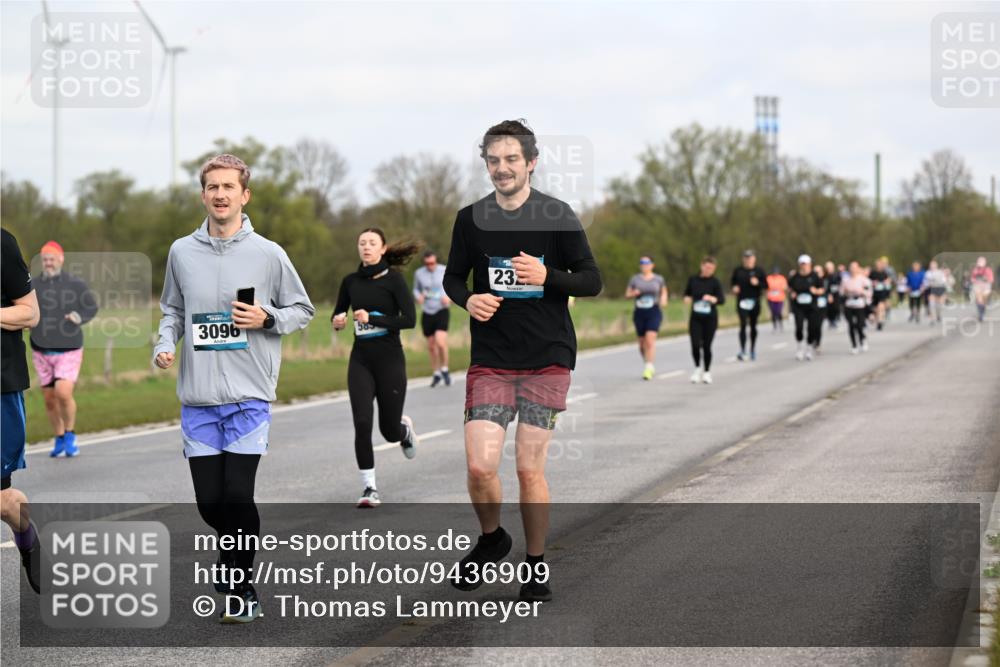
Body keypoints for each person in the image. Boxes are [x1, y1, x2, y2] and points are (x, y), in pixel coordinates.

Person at [443, 119, 602, 603]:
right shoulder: (470, 219)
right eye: (493, 160)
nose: (502, 168)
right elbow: (453, 278)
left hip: (546, 360)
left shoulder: (557, 215)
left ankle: (535, 565)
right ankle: (493, 539)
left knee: (529, 470)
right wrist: (468, 301)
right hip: (492, 359)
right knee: (479, 466)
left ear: (531, 162)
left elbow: (591, 280)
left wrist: (548, 274)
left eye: (512, 159)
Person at [153, 154, 315, 623]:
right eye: (212, 187)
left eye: (229, 187)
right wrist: (165, 344)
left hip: (249, 397)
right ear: (202, 194)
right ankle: (234, 553)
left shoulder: (268, 253)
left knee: (238, 497)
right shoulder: (182, 251)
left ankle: (242, 586)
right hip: (199, 399)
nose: (220, 194)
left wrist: (267, 318)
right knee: (211, 504)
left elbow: (301, 310)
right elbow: (171, 310)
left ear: (245, 195)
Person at [333, 229, 419, 508]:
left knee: (388, 431)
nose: (366, 247)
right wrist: (338, 321)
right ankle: (369, 487)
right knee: (361, 423)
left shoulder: (394, 281)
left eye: (372, 243)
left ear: (382, 249)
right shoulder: (350, 282)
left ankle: (403, 431)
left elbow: (409, 321)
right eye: (362, 243)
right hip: (361, 360)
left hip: (390, 359)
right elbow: (339, 313)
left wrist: (374, 319)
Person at [29, 240, 99, 457]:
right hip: (41, 349)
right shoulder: (33, 285)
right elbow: (24, 307)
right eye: (45, 259)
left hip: (69, 348)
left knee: (63, 392)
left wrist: (79, 317)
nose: (48, 263)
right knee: (49, 399)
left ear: (61, 259)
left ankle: (70, 434)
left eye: (52, 259)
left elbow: (91, 306)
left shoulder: (74, 283)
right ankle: (59, 438)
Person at [1, 229, 42, 595]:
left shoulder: (2, 243)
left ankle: (27, 539)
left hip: (0, 385)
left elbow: (30, 312)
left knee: (3, 501)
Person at [413, 250, 452, 387]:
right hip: (427, 311)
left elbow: (454, 286)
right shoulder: (419, 273)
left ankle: (445, 369)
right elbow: (416, 289)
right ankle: (436, 372)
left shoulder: (444, 270)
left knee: (440, 342)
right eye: (427, 263)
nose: (430, 266)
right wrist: (419, 296)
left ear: (436, 261)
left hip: (441, 309)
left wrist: (449, 297)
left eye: (432, 263)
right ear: (424, 263)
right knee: (431, 346)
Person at [625, 256, 667, 379]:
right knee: (642, 344)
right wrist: (633, 293)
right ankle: (647, 362)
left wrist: (664, 300)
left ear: (652, 265)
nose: (644, 265)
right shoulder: (635, 279)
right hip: (639, 312)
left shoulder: (658, 279)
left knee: (650, 340)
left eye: (647, 263)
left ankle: (649, 367)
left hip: (653, 311)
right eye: (642, 263)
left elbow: (664, 291)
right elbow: (627, 294)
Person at [684, 256, 725, 384]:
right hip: (696, 317)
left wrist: (713, 299)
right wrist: (687, 298)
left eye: (711, 269)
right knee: (695, 345)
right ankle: (697, 368)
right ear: (701, 266)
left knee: (707, 346)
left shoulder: (715, 282)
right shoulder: (693, 280)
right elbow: (687, 294)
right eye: (707, 267)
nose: (709, 270)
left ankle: (707, 372)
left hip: (710, 318)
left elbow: (722, 300)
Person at [730, 249, 767, 361]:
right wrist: (734, 288)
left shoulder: (759, 271)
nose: (748, 260)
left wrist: (758, 283)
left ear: (754, 259)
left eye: (750, 258)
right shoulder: (738, 271)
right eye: (746, 258)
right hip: (742, 301)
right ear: (743, 259)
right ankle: (742, 349)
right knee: (742, 325)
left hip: (755, 301)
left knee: (753, 326)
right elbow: (733, 283)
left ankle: (752, 349)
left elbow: (766, 285)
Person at [788, 254, 823, 360]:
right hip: (799, 306)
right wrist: (792, 293)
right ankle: (799, 347)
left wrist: (816, 291)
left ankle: (808, 348)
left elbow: (821, 289)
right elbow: (789, 288)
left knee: (811, 328)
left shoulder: (815, 276)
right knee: (799, 327)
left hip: (812, 306)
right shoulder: (795, 277)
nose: (804, 266)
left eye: (806, 264)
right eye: (802, 264)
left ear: (810, 264)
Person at [841, 261, 873, 354]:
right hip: (849, 304)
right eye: (851, 268)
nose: (853, 270)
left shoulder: (864, 280)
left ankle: (862, 339)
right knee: (851, 325)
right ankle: (854, 345)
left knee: (859, 325)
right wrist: (847, 292)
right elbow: (841, 293)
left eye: (855, 268)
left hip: (860, 304)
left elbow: (869, 293)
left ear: (858, 269)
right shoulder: (845, 280)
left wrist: (861, 291)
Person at [869, 257, 892, 330]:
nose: (878, 265)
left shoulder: (884, 273)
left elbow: (888, 280)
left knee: (881, 307)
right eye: (877, 264)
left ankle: (880, 321)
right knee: (875, 309)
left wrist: (886, 281)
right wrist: (873, 283)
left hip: (882, 292)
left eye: (880, 264)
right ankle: (878, 320)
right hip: (874, 293)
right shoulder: (872, 272)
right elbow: (868, 281)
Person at [812, 264, 830, 354]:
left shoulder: (826, 281)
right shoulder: (810, 280)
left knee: (818, 325)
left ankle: (818, 343)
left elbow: (828, 291)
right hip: (812, 306)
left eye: (819, 272)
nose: (817, 273)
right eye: (815, 272)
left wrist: (829, 296)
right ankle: (813, 339)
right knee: (812, 325)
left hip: (822, 305)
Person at [923, 260, 948, 324]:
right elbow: (926, 281)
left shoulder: (940, 272)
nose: (932, 266)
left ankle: (938, 315)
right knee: (931, 304)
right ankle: (932, 319)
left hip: (940, 288)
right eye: (931, 265)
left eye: (934, 265)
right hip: (932, 289)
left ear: (936, 265)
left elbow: (944, 280)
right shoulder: (928, 273)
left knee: (940, 305)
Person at [970, 256, 994, 323]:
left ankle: (983, 310)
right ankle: (981, 314)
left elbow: (991, 279)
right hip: (977, 286)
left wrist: (986, 279)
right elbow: (972, 278)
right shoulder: (975, 270)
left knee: (984, 300)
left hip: (986, 286)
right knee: (979, 300)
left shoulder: (988, 269)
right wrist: (974, 280)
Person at [766, 266, 788, 331]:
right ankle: (774, 325)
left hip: (779, 298)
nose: (775, 273)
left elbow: (785, 287)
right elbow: (766, 286)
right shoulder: (769, 278)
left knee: (778, 311)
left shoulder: (782, 278)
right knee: (773, 312)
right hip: (771, 298)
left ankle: (780, 324)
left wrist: (778, 288)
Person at [824, 260, 842, 329]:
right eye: (828, 268)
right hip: (828, 294)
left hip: (836, 293)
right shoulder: (825, 276)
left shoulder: (837, 274)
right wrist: (828, 294)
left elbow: (840, 282)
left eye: (830, 268)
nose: (829, 269)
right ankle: (831, 320)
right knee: (829, 308)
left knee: (836, 307)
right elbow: (825, 286)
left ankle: (835, 318)